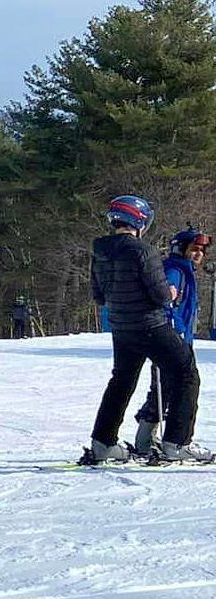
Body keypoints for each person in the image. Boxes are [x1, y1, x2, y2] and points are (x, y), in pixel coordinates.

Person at [86, 196, 209, 464]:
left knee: (121, 381)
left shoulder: (101, 250)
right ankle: (177, 442)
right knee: (186, 373)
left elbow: (99, 296)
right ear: (140, 221)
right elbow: (161, 295)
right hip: (150, 325)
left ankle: (103, 443)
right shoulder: (144, 251)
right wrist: (171, 293)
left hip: (121, 326)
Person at [132, 228, 210, 456]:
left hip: (171, 338)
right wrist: (176, 330)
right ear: (180, 249)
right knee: (187, 382)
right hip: (171, 338)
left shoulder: (182, 270)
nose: (199, 254)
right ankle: (178, 442)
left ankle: (145, 438)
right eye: (194, 249)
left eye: (202, 250)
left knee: (164, 386)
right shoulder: (175, 270)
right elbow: (163, 302)